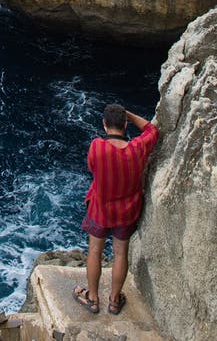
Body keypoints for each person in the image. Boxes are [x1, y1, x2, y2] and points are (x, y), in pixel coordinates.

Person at [73, 103, 159, 316]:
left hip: (100, 208)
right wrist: (129, 113)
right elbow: (152, 129)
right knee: (120, 253)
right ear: (125, 124)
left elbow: (92, 168)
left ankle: (93, 298)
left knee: (94, 250)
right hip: (127, 211)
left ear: (104, 124)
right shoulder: (138, 147)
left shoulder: (97, 147)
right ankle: (114, 300)